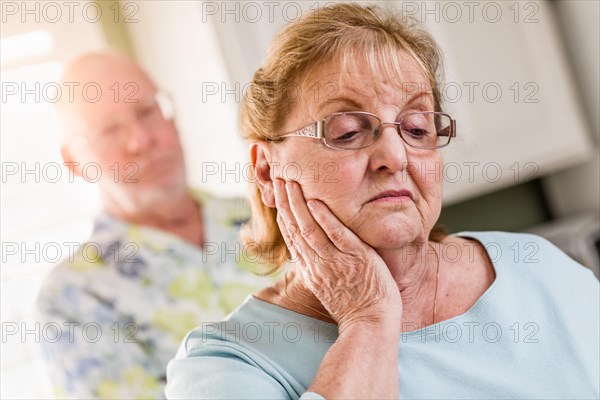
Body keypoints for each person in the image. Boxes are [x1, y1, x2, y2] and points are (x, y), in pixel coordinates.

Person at [165, 4, 600, 399]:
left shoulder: (540, 269)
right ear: (266, 170)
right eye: (348, 132)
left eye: (415, 127)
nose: (395, 156)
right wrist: (368, 320)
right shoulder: (226, 367)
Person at [36, 53, 274, 399]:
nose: (141, 141)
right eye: (108, 131)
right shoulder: (73, 298)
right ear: (75, 162)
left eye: (147, 112)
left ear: (171, 117)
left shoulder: (274, 211)